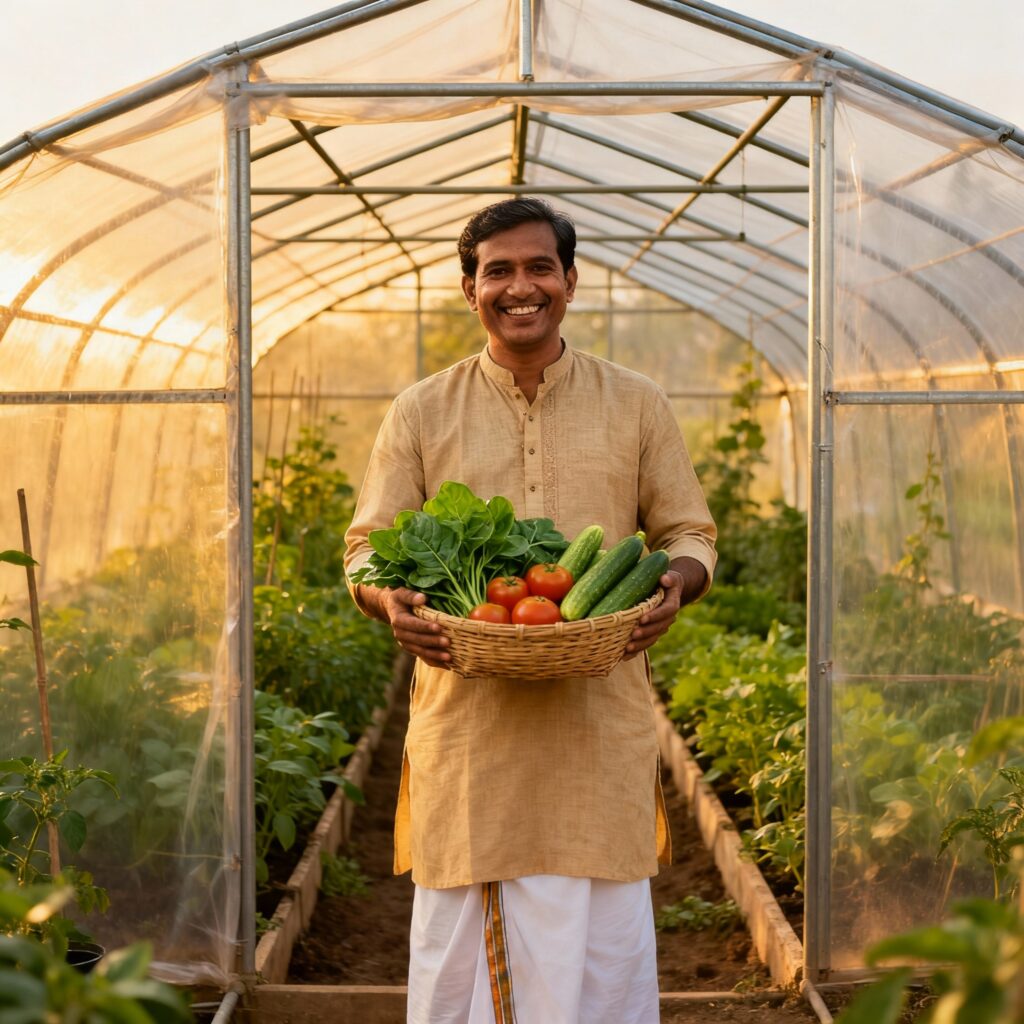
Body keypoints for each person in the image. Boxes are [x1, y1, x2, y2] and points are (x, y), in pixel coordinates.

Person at [344, 197, 716, 1024]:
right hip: (471, 725)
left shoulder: (637, 402)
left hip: (598, 720)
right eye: (499, 271)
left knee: (603, 942)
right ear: (469, 288)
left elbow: (688, 530)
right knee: (459, 946)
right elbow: (365, 544)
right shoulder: (420, 410)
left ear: (571, 280)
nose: (521, 286)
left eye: (539, 267)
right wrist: (387, 598)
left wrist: (676, 585)